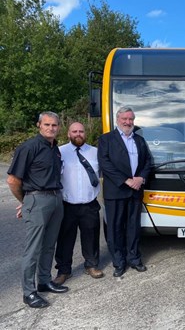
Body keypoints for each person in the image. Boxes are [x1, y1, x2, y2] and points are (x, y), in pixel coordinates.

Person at [7, 111, 68, 309]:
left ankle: (44, 281)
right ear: (39, 125)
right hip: (38, 199)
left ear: (59, 127)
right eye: (47, 125)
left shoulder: (55, 148)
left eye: (54, 125)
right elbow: (13, 180)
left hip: (56, 198)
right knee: (32, 249)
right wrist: (26, 202)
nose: (51, 128)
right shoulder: (29, 147)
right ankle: (29, 292)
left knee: (49, 244)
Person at [98, 106, 151, 277]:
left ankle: (134, 259)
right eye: (125, 119)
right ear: (117, 120)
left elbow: (148, 161)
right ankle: (119, 263)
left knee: (133, 227)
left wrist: (140, 178)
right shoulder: (106, 139)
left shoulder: (140, 140)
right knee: (115, 229)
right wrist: (126, 180)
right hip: (116, 191)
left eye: (131, 119)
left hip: (135, 191)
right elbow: (105, 164)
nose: (128, 122)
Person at [53, 122, 104, 285]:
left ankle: (91, 265)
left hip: (89, 204)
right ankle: (63, 270)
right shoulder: (59, 152)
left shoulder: (95, 152)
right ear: (68, 134)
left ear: (85, 133)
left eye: (81, 131)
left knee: (91, 236)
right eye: (74, 131)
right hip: (67, 205)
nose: (78, 134)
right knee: (65, 239)